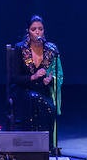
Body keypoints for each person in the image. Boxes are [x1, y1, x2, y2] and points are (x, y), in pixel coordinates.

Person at [8, 15, 62, 144]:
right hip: (24, 89)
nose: (37, 32)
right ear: (28, 31)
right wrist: (33, 76)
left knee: (50, 108)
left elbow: (56, 72)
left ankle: (46, 146)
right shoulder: (21, 48)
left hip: (42, 89)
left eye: (40, 29)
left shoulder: (50, 49)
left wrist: (50, 79)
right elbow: (15, 78)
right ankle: (31, 145)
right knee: (34, 100)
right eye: (34, 29)